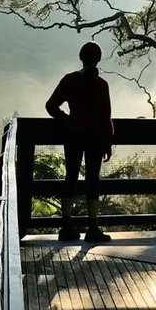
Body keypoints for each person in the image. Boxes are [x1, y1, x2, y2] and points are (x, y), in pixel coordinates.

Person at [45, 42, 114, 243]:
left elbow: (51, 105)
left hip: (73, 135)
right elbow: (106, 117)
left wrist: (67, 120)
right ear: (98, 59)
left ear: (81, 58)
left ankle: (66, 227)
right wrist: (107, 141)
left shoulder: (70, 80)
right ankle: (92, 228)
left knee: (70, 178)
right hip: (95, 137)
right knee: (93, 180)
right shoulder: (101, 85)